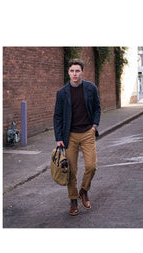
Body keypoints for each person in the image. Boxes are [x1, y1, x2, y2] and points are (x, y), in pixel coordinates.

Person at [53, 58, 101, 216]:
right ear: (68, 72)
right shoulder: (62, 93)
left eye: (77, 71)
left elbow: (97, 108)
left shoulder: (90, 88)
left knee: (92, 166)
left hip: (87, 132)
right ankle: (73, 200)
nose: (74, 74)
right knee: (71, 171)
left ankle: (84, 190)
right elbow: (58, 116)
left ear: (82, 72)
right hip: (70, 135)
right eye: (72, 71)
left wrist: (94, 125)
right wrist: (59, 137)